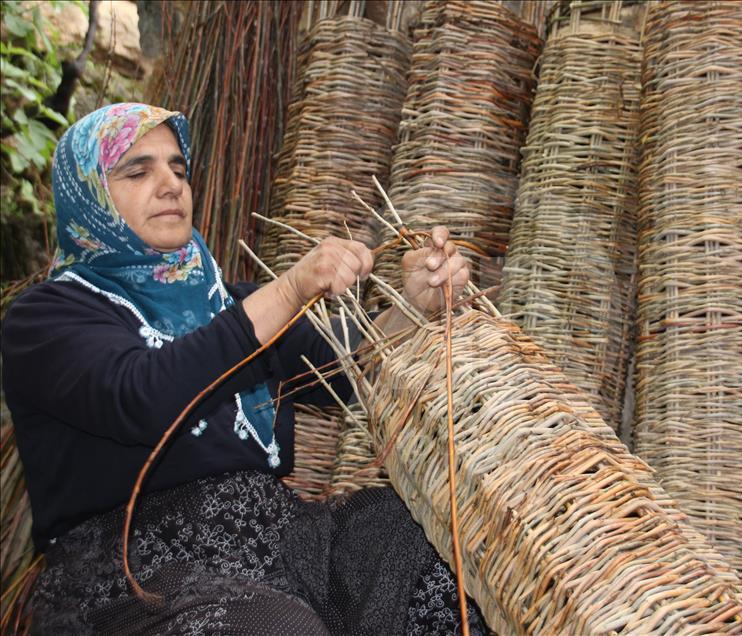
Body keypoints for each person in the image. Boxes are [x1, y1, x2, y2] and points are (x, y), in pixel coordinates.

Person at [1, 103, 485, 635]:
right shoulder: (45, 319)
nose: (170, 186)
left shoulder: (224, 304)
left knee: (434, 562)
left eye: (179, 170)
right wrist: (292, 288)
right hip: (136, 575)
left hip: (282, 545)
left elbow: (346, 367)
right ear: (86, 195)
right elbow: (142, 398)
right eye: (138, 171)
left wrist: (411, 309)